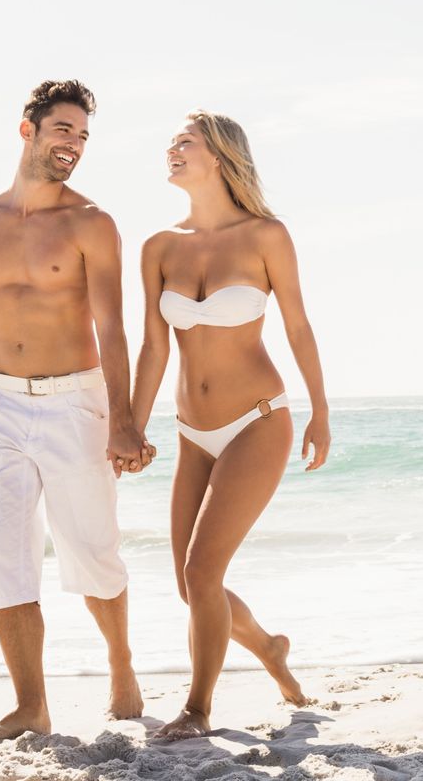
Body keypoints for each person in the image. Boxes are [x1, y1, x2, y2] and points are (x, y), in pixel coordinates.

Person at [0, 79, 152, 746]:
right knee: (2, 553)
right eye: (64, 130)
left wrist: (123, 419)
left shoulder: (91, 222)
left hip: (74, 401)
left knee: (92, 551)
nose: (75, 146)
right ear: (27, 130)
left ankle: (121, 662)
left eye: (83, 136)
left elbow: (113, 327)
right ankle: (31, 704)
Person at [131, 109, 331, 740]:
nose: (171, 150)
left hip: (257, 421)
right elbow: (154, 348)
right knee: (195, 588)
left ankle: (198, 708)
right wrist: (130, 429)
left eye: (183, 142)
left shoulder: (266, 235)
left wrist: (321, 412)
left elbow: (297, 325)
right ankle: (269, 648)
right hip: (192, 432)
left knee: (201, 574)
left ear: (217, 156)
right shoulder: (158, 246)